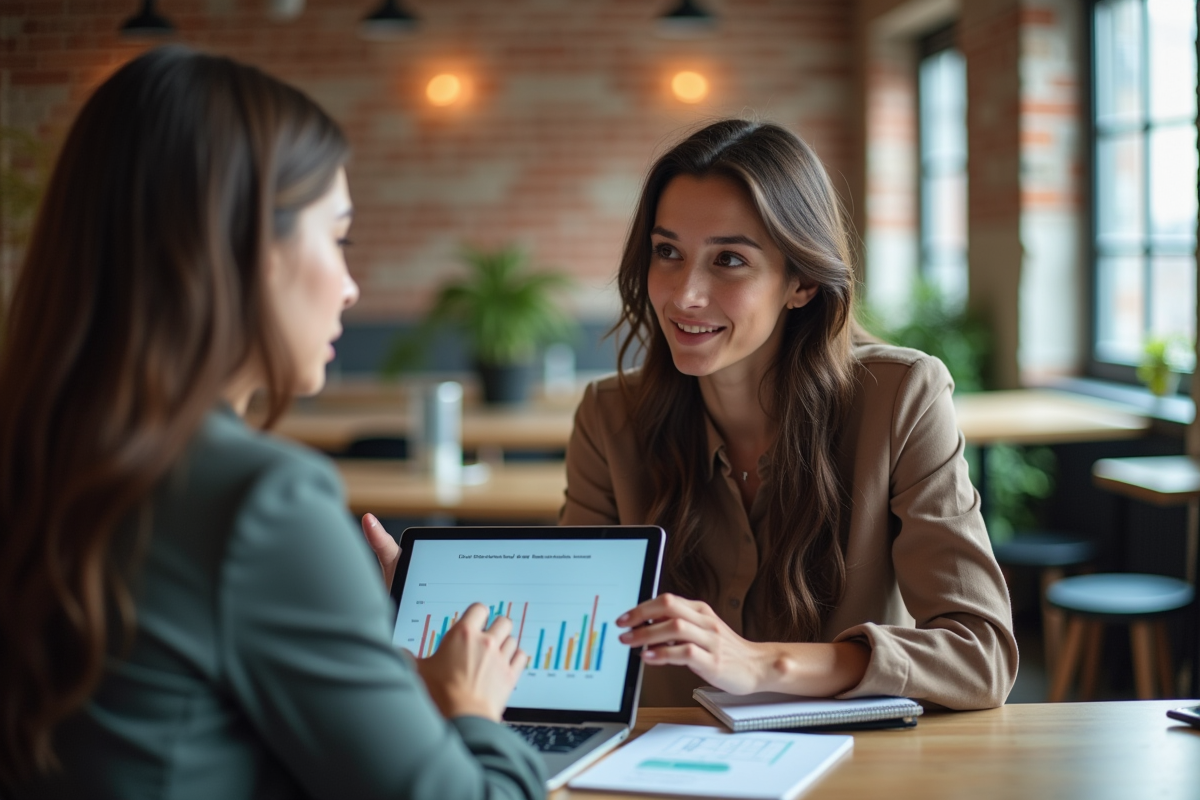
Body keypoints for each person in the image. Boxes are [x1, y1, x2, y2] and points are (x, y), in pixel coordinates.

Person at [0, 47, 544, 799]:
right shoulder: (257, 501)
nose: (351, 288)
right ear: (241, 245)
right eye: (338, 236)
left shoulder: (35, 455)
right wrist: (473, 707)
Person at [558, 119, 1018, 709]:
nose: (683, 294)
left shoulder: (901, 399)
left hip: (853, 768)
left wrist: (764, 663)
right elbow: (567, 629)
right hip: (664, 765)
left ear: (800, 282)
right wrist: (426, 610)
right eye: (667, 251)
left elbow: (981, 656)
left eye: (728, 260)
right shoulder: (609, 418)